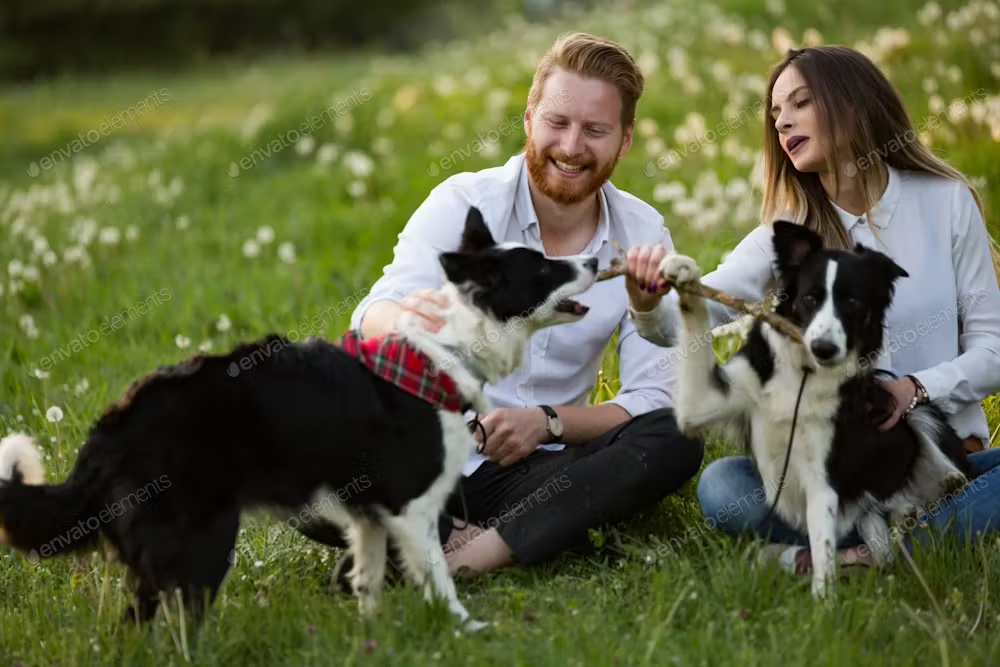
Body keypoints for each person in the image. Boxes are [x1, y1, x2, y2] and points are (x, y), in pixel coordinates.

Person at [336, 32, 703, 583]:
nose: (572, 146)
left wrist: (547, 423)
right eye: (557, 122)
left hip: (535, 469)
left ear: (624, 142)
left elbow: (655, 398)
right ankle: (454, 524)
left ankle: (471, 553)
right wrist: (406, 320)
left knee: (675, 439)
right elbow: (373, 312)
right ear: (529, 119)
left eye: (595, 130)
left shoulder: (642, 234)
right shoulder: (464, 204)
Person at [625, 44, 1000, 574]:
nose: (783, 122)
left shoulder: (945, 201)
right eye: (776, 113)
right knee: (722, 484)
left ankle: (839, 555)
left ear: (852, 102)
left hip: (938, 463)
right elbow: (703, 309)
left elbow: (995, 349)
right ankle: (899, 544)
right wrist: (648, 303)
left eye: (800, 102)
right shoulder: (788, 238)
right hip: (831, 470)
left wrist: (912, 389)